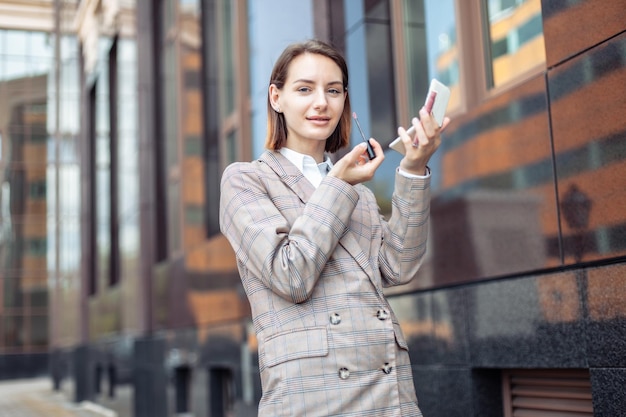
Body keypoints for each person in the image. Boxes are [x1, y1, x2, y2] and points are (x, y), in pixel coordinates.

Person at [219, 39, 449, 417]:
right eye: (305, 89)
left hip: (389, 390)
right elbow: (290, 274)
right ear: (276, 97)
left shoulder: (353, 188)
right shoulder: (246, 180)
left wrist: (411, 169)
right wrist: (340, 184)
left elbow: (398, 266)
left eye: (334, 90)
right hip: (314, 397)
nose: (322, 102)